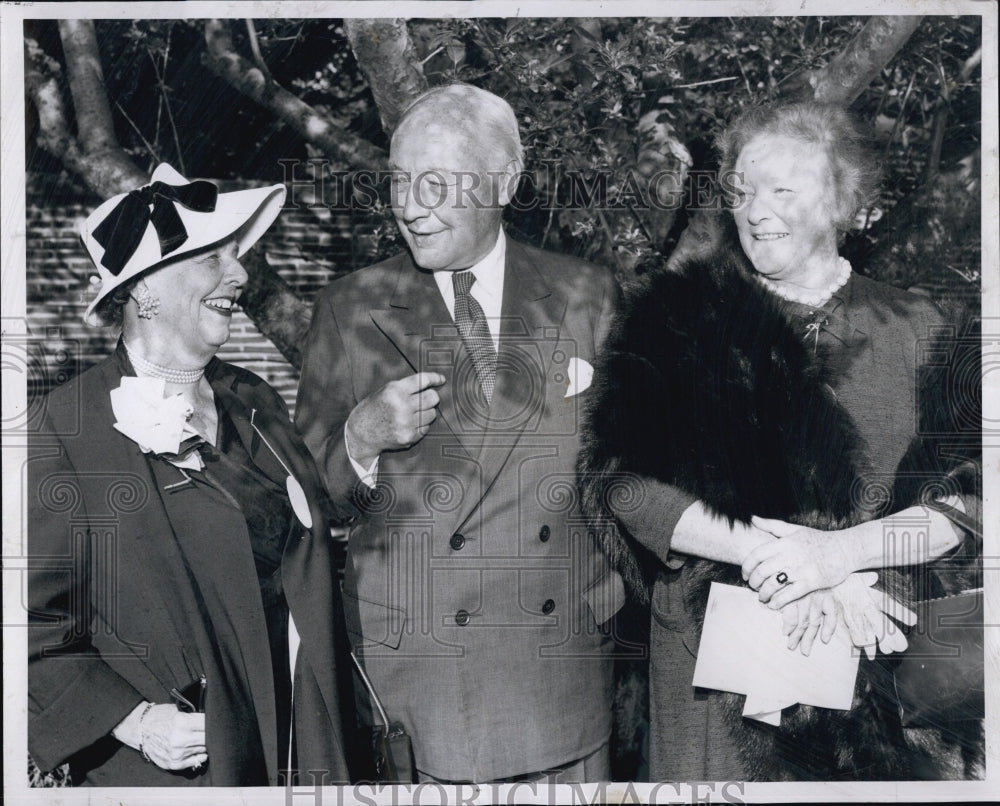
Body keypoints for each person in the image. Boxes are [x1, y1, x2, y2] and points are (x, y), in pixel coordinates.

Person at [578, 102, 981, 780]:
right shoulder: (674, 321)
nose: (755, 210)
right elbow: (621, 485)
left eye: (783, 191)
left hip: (883, 683)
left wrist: (841, 555)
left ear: (841, 203)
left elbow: (969, 501)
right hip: (717, 692)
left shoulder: (924, 328)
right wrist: (777, 558)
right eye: (742, 190)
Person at [295, 83, 624, 783]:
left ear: (505, 179)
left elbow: (638, 478)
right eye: (399, 183)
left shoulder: (589, 295)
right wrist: (360, 438)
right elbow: (306, 503)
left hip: (558, 669)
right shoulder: (349, 308)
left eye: (437, 184)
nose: (410, 207)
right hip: (421, 679)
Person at [28, 164, 355, 786]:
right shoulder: (66, 430)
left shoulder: (253, 397)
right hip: (187, 770)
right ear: (144, 287)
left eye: (237, 257)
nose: (240, 274)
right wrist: (134, 720)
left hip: (300, 744)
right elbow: (29, 625)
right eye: (214, 259)